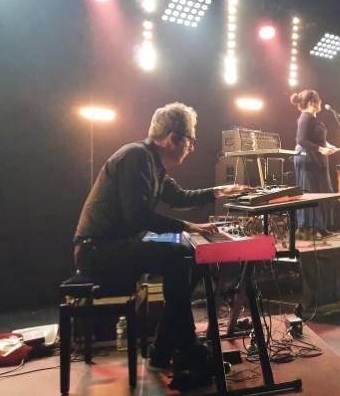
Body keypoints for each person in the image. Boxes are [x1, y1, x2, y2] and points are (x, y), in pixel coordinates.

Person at [72, 102, 253, 377]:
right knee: (177, 257)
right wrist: (188, 226)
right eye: (190, 141)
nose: (191, 148)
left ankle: (164, 348)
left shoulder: (151, 162)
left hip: (114, 245)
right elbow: (137, 216)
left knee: (187, 255)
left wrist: (221, 190)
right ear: (172, 138)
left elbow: (179, 197)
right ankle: (187, 347)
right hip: (96, 250)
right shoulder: (136, 157)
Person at [292, 89, 338, 240]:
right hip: (307, 158)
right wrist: (320, 149)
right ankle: (306, 229)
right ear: (312, 103)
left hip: (317, 159)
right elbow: (301, 140)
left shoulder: (313, 119)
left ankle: (320, 226)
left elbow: (319, 139)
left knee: (323, 190)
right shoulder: (305, 117)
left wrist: (329, 146)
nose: (321, 102)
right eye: (319, 100)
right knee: (310, 192)